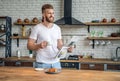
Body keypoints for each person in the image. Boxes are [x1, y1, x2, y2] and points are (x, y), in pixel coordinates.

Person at [27, 4, 73, 69]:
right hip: (42, 64)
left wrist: (66, 49)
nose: (52, 15)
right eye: (49, 13)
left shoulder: (57, 28)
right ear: (43, 14)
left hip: (56, 63)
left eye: (53, 13)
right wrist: (39, 45)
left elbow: (59, 45)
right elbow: (29, 46)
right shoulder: (36, 28)